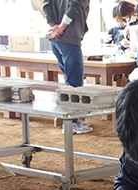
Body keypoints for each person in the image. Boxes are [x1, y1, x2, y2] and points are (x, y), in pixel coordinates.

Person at [43, 0, 92, 135]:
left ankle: (73, 119)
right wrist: (61, 27)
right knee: (75, 84)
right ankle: (71, 122)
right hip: (69, 38)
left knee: (69, 81)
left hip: (56, 39)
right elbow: (75, 6)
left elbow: (46, 5)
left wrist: (54, 26)